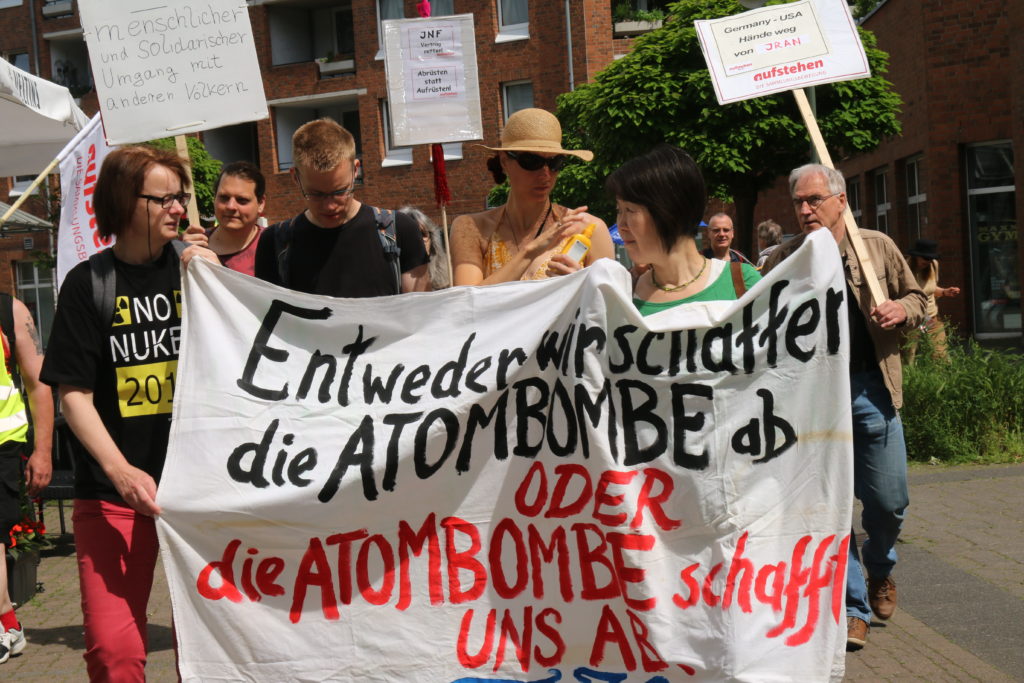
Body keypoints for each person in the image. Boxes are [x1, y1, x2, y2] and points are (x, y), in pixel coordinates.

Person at [39, 145, 217, 681]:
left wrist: (219, 281)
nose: (178, 209)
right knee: (115, 653)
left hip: (201, 492)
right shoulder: (86, 285)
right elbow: (73, 394)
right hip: (114, 495)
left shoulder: (199, 274)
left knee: (214, 645)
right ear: (124, 202)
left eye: (179, 197)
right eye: (162, 198)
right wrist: (121, 472)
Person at [762, 163, 926, 651]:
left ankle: (880, 567)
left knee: (888, 502)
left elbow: (918, 297)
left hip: (870, 389)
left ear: (841, 201)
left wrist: (902, 310)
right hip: (812, 399)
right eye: (798, 202)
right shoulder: (785, 259)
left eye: (814, 199)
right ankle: (853, 608)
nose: (806, 209)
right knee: (830, 506)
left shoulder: (875, 246)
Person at [254, 118, 430, 295]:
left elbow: (418, 315)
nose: (330, 206)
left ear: (355, 170)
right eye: (316, 194)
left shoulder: (400, 230)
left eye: (340, 191)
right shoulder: (275, 244)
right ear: (295, 177)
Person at [450, 108, 614, 285]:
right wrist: (529, 253)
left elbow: (607, 305)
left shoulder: (589, 229)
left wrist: (582, 284)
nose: (545, 174)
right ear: (505, 161)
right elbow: (467, 303)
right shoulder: (472, 228)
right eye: (531, 162)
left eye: (554, 163)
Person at [606, 144, 760, 314]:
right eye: (619, 211)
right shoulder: (624, 299)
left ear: (670, 211)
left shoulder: (744, 282)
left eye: (630, 210)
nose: (621, 225)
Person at [0, 295, 53, 665]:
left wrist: (43, 451)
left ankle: (5, 626)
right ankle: (8, 622)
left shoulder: (10, 311)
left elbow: (39, 383)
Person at [183, 161, 266, 276]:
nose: (231, 206)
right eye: (224, 198)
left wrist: (219, 272)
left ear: (261, 204)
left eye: (242, 200)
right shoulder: (194, 243)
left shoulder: (275, 247)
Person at [903, 238, 960, 362]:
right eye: (925, 258)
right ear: (916, 256)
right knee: (909, 357)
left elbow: (931, 289)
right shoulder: (905, 269)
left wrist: (944, 292)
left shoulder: (933, 265)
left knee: (940, 355)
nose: (928, 261)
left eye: (931, 258)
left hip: (930, 319)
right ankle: (910, 379)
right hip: (913, 320)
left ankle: (942, 379)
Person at [400, 206, 451, 290]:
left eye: (422, 234)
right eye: (410, 236)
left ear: (431, 239)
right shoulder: (390, 283)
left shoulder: (448, 272)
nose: (418, 241)